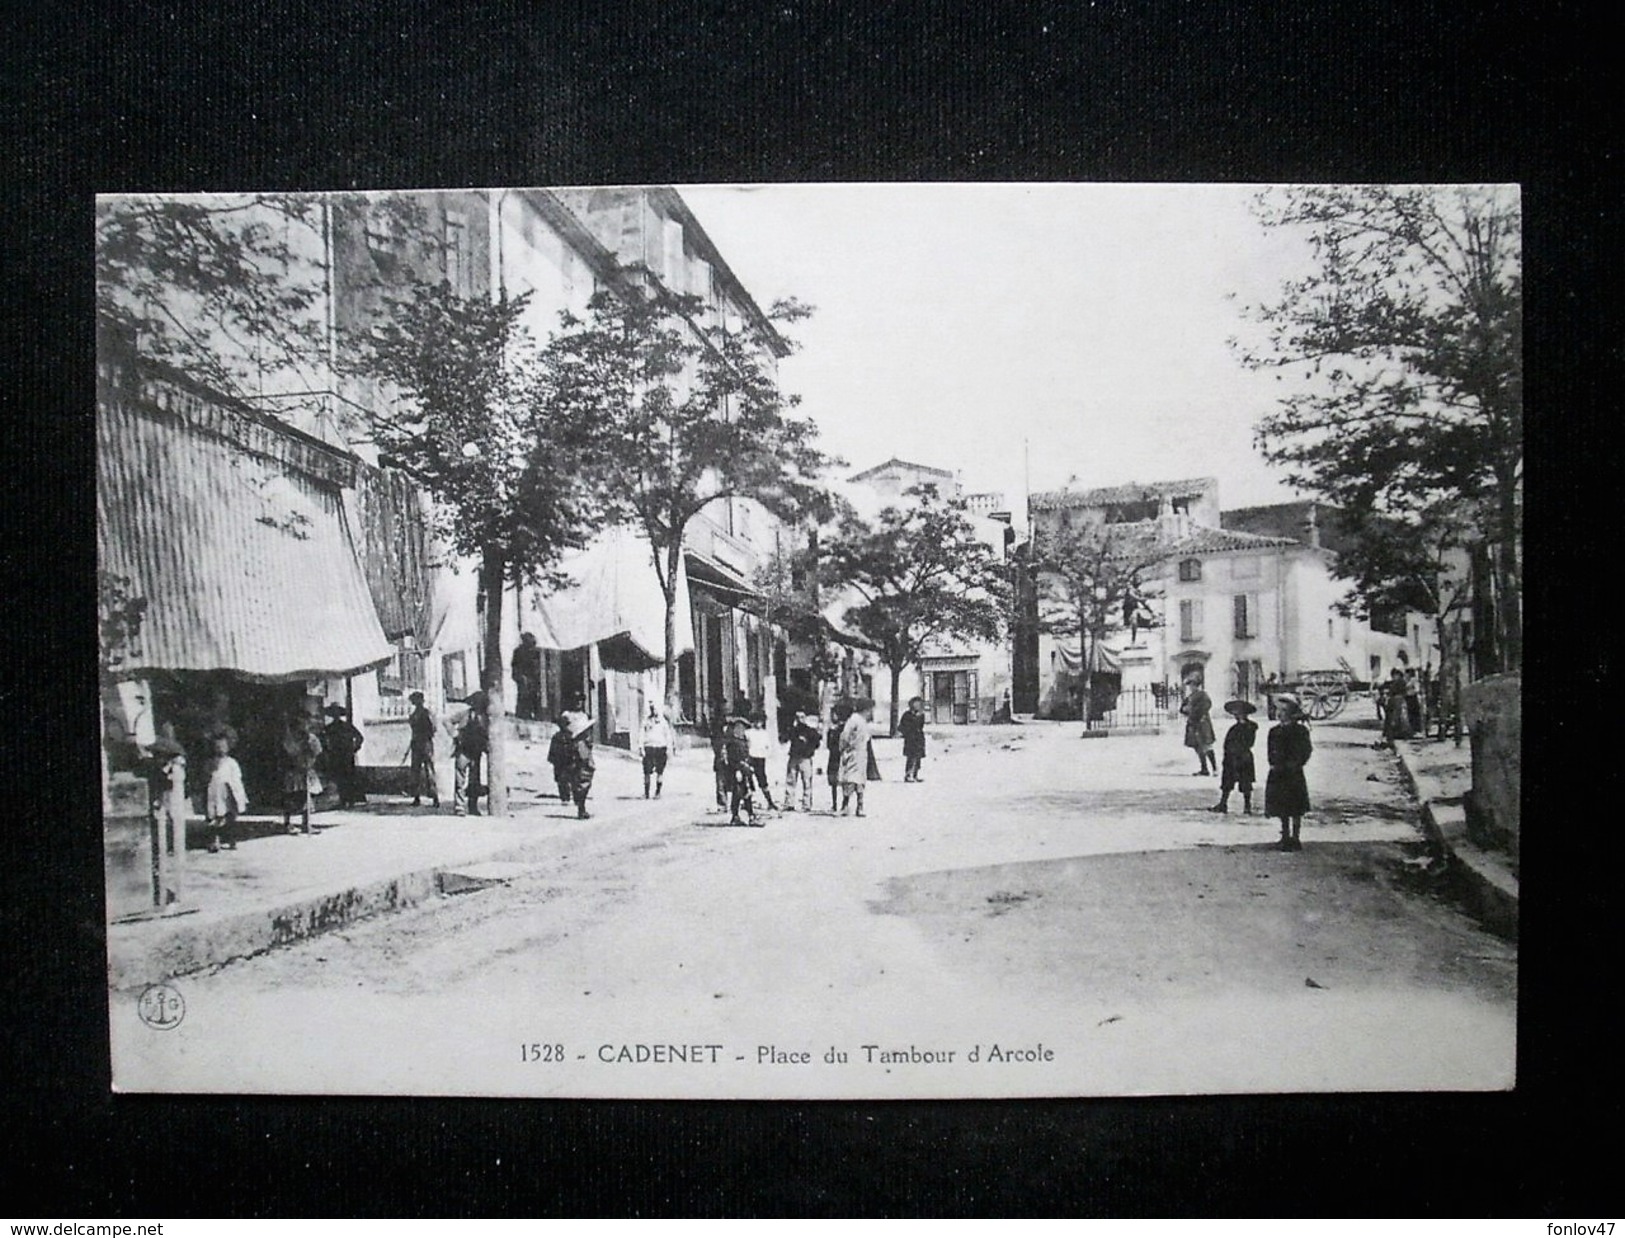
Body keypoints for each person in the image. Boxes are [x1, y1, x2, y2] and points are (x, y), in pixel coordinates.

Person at [1265, 695, 1313, 851]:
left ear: (1291, 713)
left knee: (1296, 806)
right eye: (1279, 710)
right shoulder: (1274, 731)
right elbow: (1270, 750)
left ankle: (1296, 837)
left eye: (1284, 710)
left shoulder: (1300, 730)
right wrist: (1273, 763)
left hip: (1293, 772)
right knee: (1282, 805)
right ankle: (1285, 836)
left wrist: (1297, 763)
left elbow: (1306, 750)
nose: (1280, 713)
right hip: (1279, 771)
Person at [280, 700, 324, 835]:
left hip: (307, 768)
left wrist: (310, 745)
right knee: (291, 797)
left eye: (307, 722)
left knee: (307, 796)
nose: (305, 725)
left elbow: (318, 751)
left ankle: (306, 823)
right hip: (294, 770)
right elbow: (289, 751)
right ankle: (288, 823)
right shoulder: (291, 738)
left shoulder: (311, 738)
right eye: (302, 722)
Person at [1209, 699, 1258, 814]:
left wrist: (1237, 751)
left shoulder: (1250, 727)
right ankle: (1223, 804)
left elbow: (1248, 743)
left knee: (1246, 783)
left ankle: (1247, 806)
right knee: (1227, 782)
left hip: (1242, 757)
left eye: (1238, 712)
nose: (1235, 715)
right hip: (1231, 758)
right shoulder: (1235, 727)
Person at [204, 733, 247, 852]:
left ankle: (231, 839)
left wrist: (238, 792)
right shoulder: (211, 762)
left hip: (228, 791)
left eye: (223, 746)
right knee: (215, 816)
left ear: (228, 747)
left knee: (230, 817)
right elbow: (207, 775)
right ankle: (215, 840)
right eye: (217, 746)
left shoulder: (231, 762)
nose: (220, 749)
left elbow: (237, 777)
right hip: (214, 791)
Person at [322, 704, 366, 807]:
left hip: (344, 754)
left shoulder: (342, 727)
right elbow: (359, 738)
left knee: (346, 777)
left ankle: (348, 800)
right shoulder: (331, 728)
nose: (335, 716)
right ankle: (345, 800)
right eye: (334, 714)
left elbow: (359, 737)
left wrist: (355, 748)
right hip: (340, 754)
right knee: (342, 777)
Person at [453, 691, 489, 817]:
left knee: (474, 782)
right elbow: (447, 721)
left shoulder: (486, 718)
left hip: (476, 752)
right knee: (459, 781)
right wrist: (454, 734)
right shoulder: (464, 714)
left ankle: (473, 807)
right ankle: (459, 807)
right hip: (463, 751)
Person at [560, 697, 595, 819]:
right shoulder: (566, 715)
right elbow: (562, 730)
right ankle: (580, 807)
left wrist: (589, 741)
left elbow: (589, 733)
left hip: (584, 748)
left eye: (581, 700)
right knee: (576, 777)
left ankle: (581, 806)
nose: (578, 702)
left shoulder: (585, 716)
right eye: (576, 699)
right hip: (573, 748)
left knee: (586, 776)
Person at [838, 698, 874, 817]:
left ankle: (860, 806)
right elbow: (845, 736)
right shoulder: (853, 720)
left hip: (861, 754)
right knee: (850, 779)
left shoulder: (863, 721)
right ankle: (845, 805)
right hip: (852, 753)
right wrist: (844, 749)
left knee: (860, 780)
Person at [724, 713, 761, 826]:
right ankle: (741, 816)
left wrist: (749, 766)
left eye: (743, 728)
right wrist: (737, 771)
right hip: (738, 771)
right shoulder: (733, 743)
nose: (741, 730)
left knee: (745, 793)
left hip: (745, 771)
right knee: (739, 794)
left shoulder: (743, 741)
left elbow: (746, 756)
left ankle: (747, 816)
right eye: (739, 728)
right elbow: (732, 759)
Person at [406, 691, 440, 808]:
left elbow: (433, 728)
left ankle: (434, 797)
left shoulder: (425, 714)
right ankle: (419, 797)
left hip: (424, 743)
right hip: (419, 743)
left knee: (427, 770)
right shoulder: (417, 714)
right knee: (418, 771)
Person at [784, 710, 822, 812]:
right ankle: (789, 803)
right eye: (797, 717)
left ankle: (806, 804)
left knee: (807, 782)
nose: (799, 719)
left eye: (802, 717)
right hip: (794, 757)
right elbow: (785, 737)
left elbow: (817, 743)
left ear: (805, 719)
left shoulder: (810, 731)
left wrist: (809, 749)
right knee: (790, 781)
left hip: (805, 758)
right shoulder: (793, 730)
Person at [1181, 677, 1217, 775]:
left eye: (1193, 685)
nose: (1191, 687)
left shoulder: (1203, 695)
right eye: (1190, 685)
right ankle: (1204, 769)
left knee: (1206, 745)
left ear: (1198, 686)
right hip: (1193, 724)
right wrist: (1184, 709)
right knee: (1197, 746)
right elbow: (1182, 708)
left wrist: (1193, 711)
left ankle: (1215, 768)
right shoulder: (1190, 696)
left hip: (1202, 723)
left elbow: (1206, 706)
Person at [639, 701, 675, 799]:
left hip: (660, 747)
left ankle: (658, 792)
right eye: (651, 708)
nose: (653, 711)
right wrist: (641, 747)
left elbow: (668, 736)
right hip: (649, 747)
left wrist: (669, 749)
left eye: (655, 708)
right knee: (647, 771)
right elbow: (642, 733)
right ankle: (646, 793)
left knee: (660, 771)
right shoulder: (646, 721)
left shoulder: (663, 722)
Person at [746, 712, 778, 811]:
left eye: (760, 722)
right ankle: (747, 801)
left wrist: (766, 753)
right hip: (750, 757)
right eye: (756, 721)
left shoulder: (765, 733)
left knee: (763, 780)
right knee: (748, 780)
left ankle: (770, 802)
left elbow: (768, 746)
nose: (758, 724)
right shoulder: (748, 732)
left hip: (760, 758)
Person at [510, 632, 543, 721]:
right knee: (523, 696)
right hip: (522, 678)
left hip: (532, 679)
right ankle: (523, 714)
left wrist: (535, 678)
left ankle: (535, 714)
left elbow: (537, 667)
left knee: (534, 696)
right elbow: (515, 666)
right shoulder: (518, 652)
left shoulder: (535, 652)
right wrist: (521, 677)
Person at [824, 704, 849, 813]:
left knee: (845, 780)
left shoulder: (846, 729)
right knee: (833, 781)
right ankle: (834, 804)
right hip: (833, 756)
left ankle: (845, 804)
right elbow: (829, 745)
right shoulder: (832, 730)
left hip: (843, 757)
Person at [898, 696, 927, 782]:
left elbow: (921, 726)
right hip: (910, 739)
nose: (917, 705)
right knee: (911, 758)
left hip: (919, 739)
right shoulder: (907, 715)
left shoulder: (921, 715)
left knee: (918, 758)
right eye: (915, 703)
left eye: (919, 704)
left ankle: (915, 775)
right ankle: (908, 775)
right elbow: (903, 726)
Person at [546, 717, 574, 806]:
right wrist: (552, 759)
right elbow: (552, 749)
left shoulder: (571, 736)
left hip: (568, 761)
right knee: (561, 780)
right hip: (559, 762)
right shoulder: (557, 737)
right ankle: (564, 797)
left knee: (568, 779)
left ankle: (568, 796)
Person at [1381, 669, 1413, 744]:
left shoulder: (1399, 682)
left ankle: (1395, 734)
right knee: (1397, 718)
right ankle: (1397, 733)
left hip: (1397, 701)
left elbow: (1393, 691)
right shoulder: (1399, 681)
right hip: (1397, 701)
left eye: (1394, 675)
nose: (1393, 677)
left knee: (1395, 718)